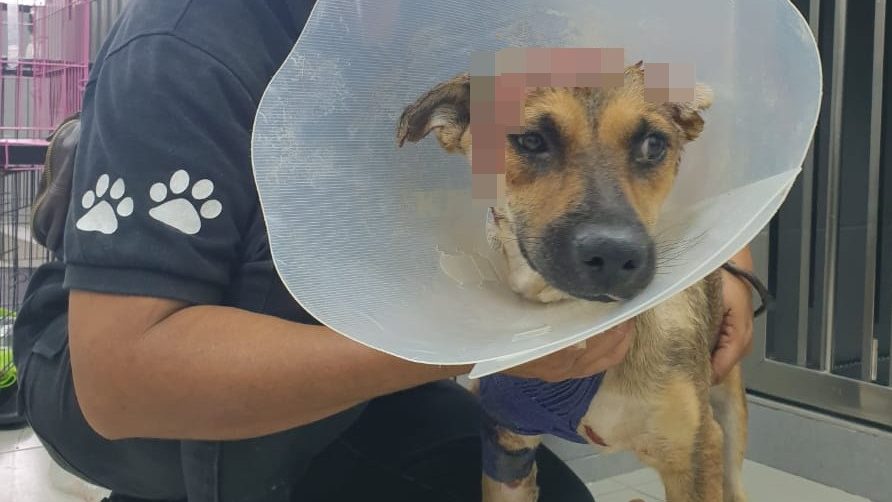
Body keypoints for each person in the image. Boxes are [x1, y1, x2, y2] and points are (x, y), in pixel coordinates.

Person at [12, 1, 757, 501]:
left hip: (355, 362)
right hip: (139, 390)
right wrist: (470, 347)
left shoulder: (492, 21)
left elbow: (648, 95)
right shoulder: (185, 45)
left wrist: (724, 252)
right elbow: (119, 383)